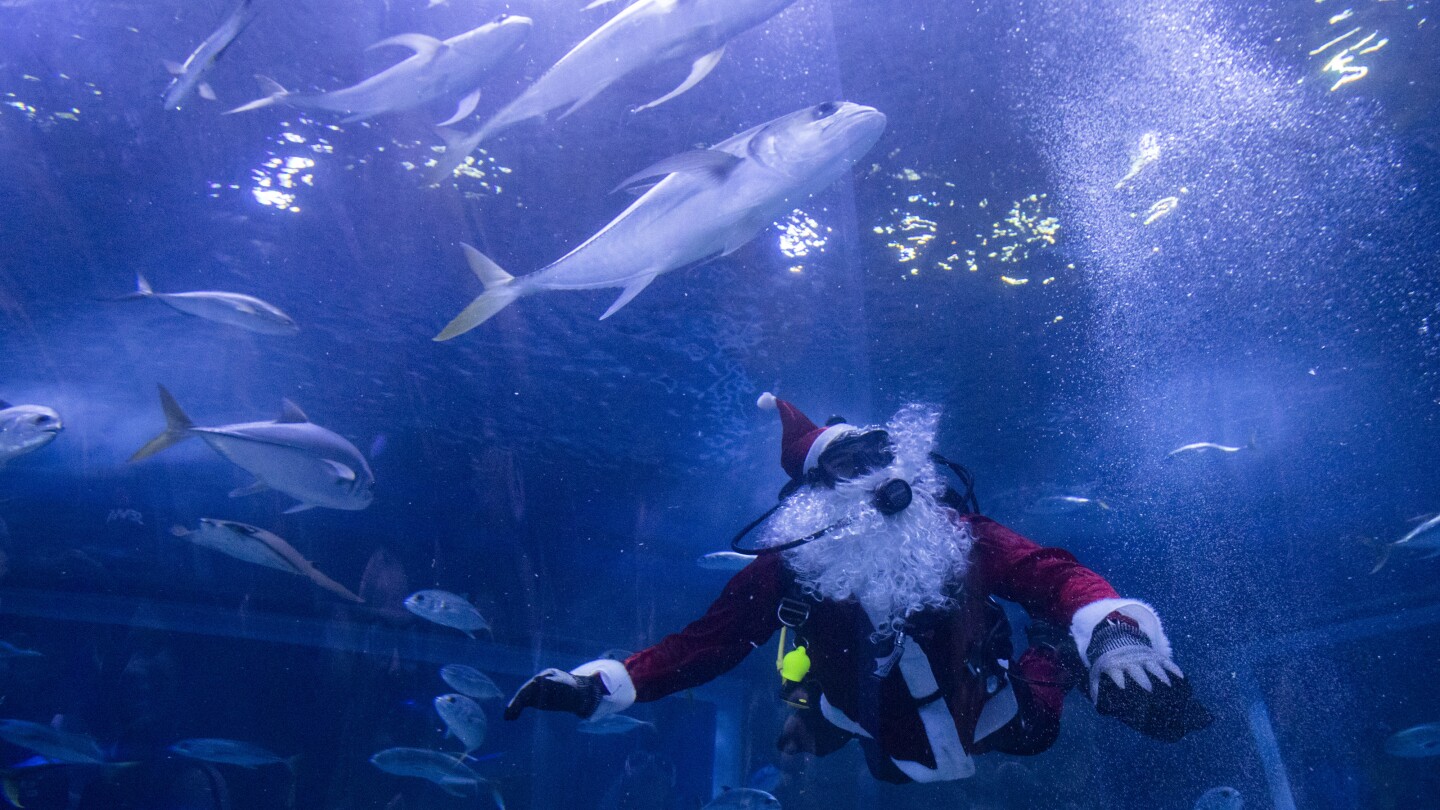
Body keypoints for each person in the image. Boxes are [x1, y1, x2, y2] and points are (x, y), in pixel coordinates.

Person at [505, 395, 1212, 784]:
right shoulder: (785, 568)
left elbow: (1048, 573)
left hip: (997, 708)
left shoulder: (957, 532)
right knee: (876, 761)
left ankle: (1066, 660)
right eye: (847, 464)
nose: (873, 473)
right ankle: (818, 721)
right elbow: (706, 647)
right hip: (884, 739)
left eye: (878, 454)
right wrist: (599, 686)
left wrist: (1113, 629)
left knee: (1039, 727)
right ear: (809, 496)